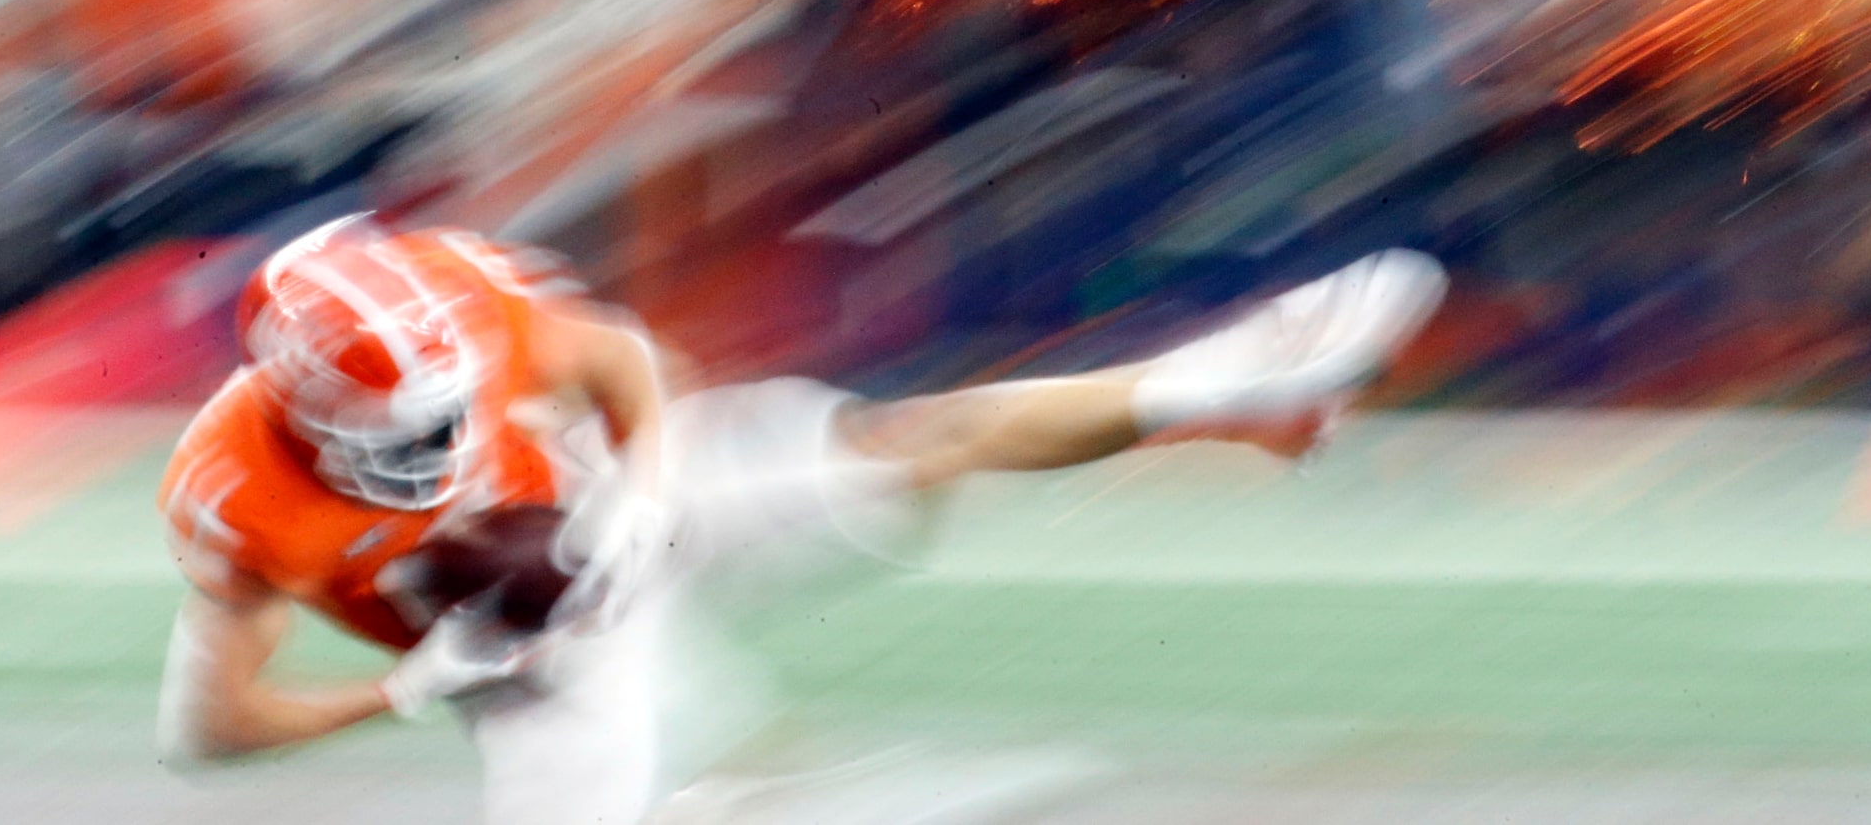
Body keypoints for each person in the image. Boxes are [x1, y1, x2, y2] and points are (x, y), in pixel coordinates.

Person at [154, 213, 1446, 825]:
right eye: (405, 438)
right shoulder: (234, 493)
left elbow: (616, 363)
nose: (441, 450)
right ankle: (754, 793)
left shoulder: (453, 295)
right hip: (527, 652)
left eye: (448, 412)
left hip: (612, 503)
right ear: (301, 410)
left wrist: (643, 500)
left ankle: (1236, 377)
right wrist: (410, 685)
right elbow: (207, 731)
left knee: (912, 440)